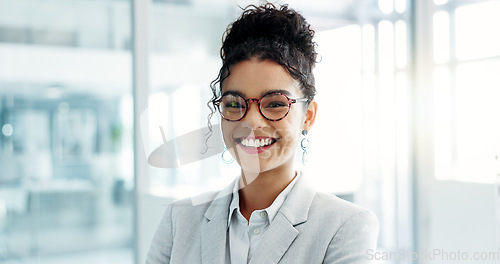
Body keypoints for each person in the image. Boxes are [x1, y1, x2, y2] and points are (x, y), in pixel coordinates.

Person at [146, 3, 378, 264]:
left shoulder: (345, 227)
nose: (251, 122)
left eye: (276, 103)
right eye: (234, 103)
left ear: (308, 116)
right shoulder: (179, 219)